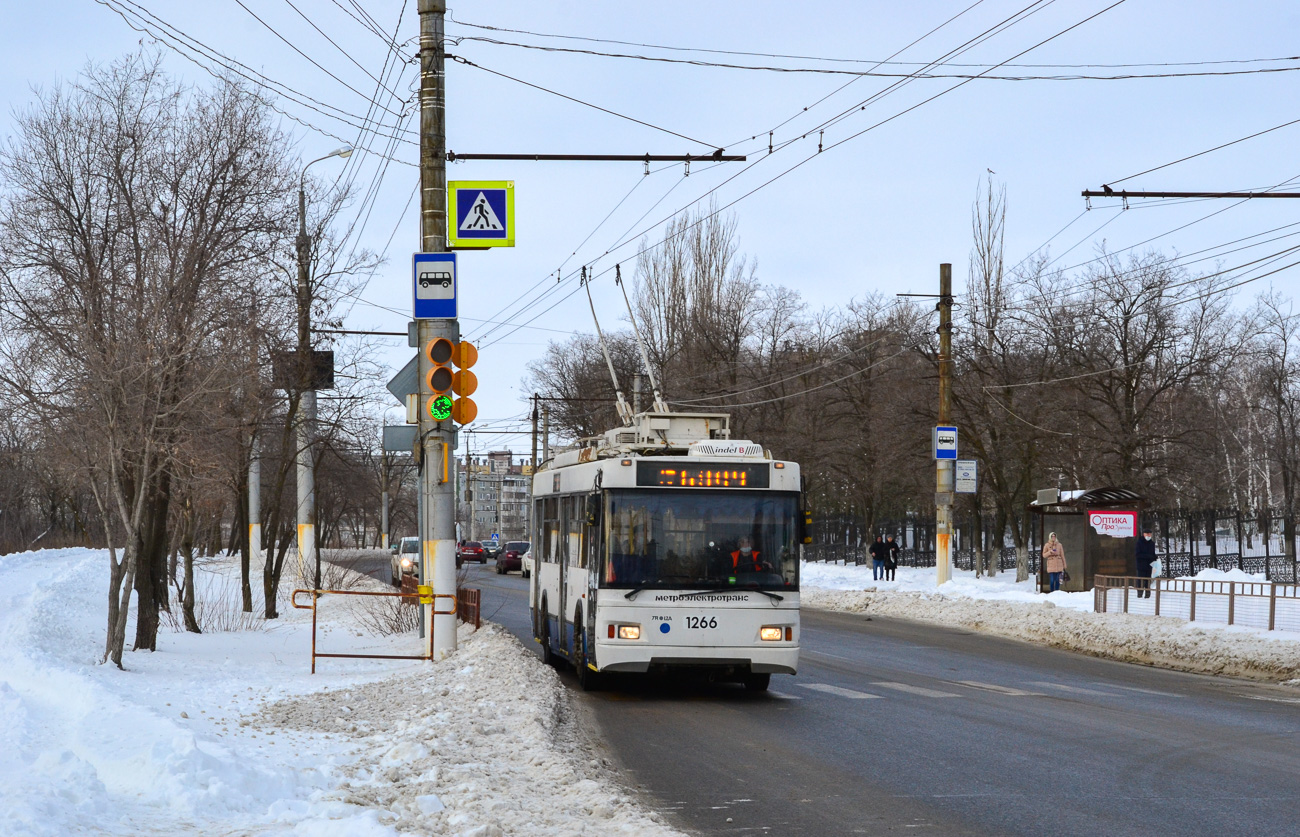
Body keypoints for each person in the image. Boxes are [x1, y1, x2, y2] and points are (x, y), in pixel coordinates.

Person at [1135, 528, 1157, 598]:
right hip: (1141, 565)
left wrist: (1155, 557)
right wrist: (1148, 556)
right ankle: (1140, 594)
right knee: (1141, 581)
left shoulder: (1152, 543)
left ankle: (1147, 594)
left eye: (1150, 534)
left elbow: (1153, 554)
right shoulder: (1139, 543)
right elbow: (1137, 554)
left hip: (1149, 566)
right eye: (1147, 534)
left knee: (1148, 581)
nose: (1149, 535)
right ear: (1144, 534)